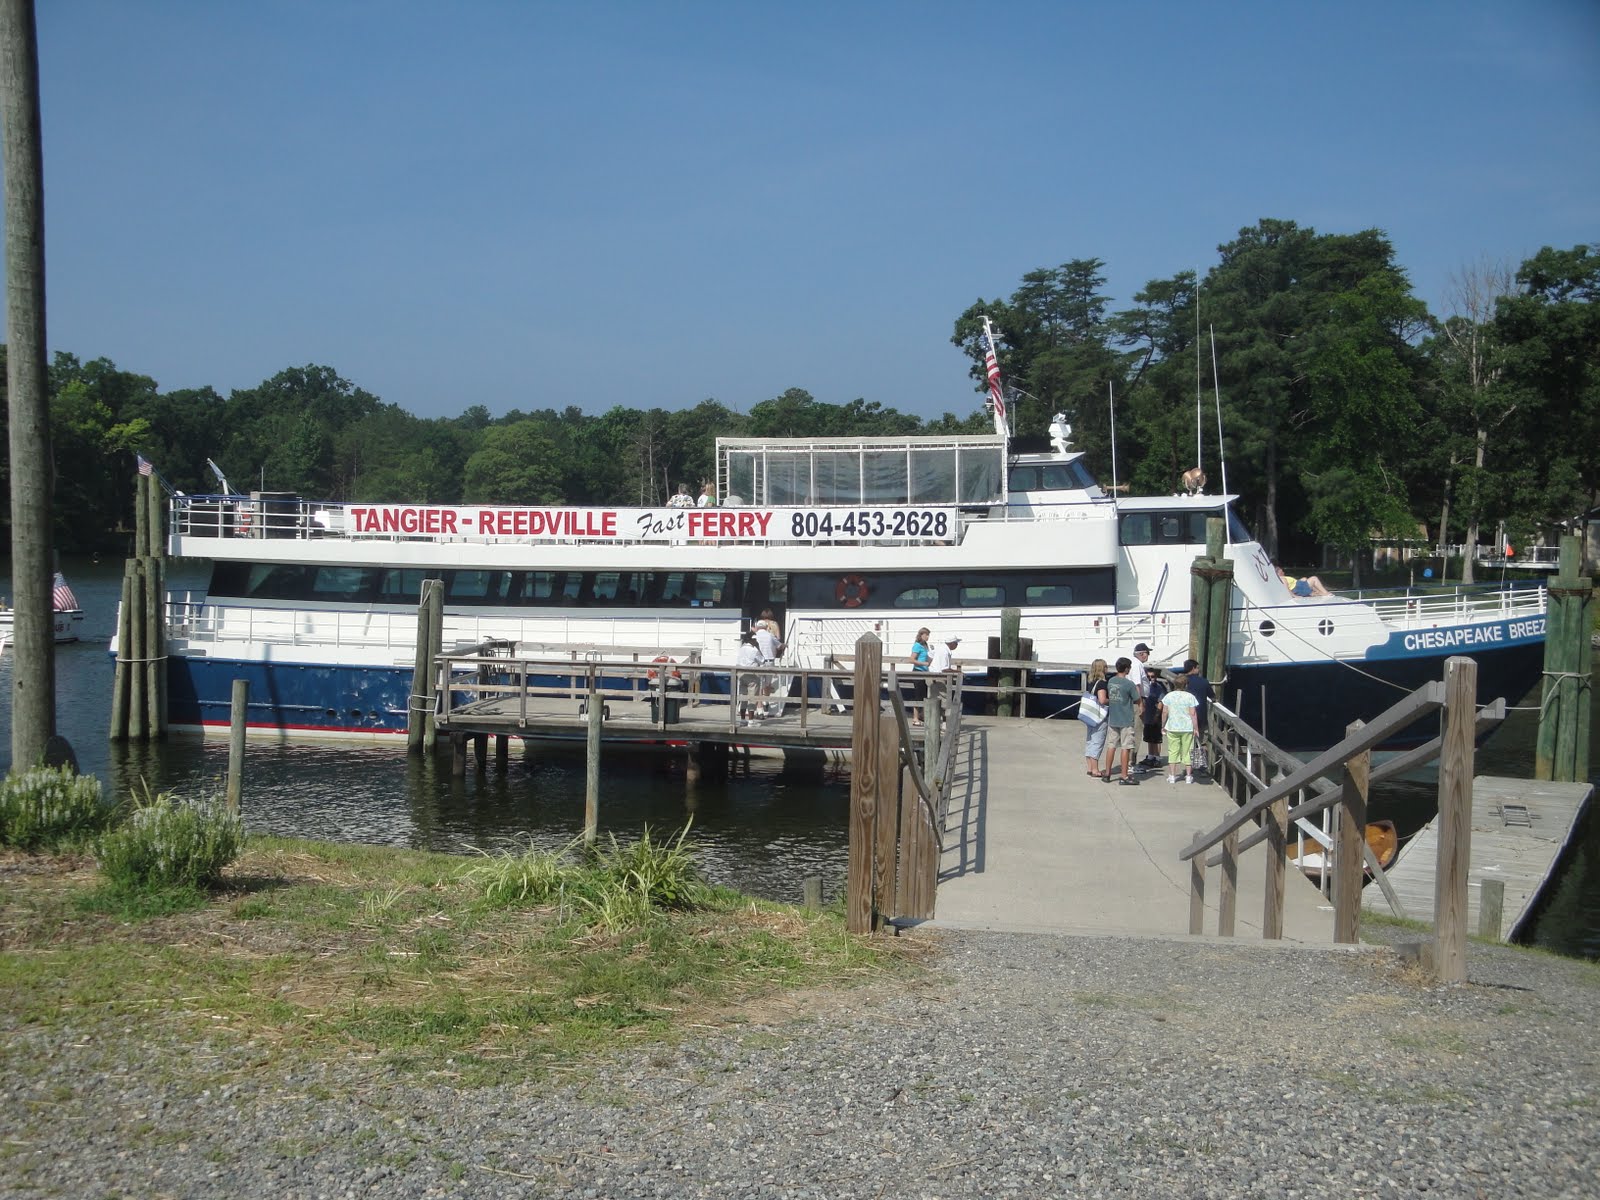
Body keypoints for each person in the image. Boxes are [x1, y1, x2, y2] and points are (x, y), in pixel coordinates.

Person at [1104, 657, 1142, 785]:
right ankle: (1124, 776)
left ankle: (1107, 773)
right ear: (1126, 669)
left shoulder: (1111, 681)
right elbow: (1137, 698)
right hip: (1126, 719)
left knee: (1111, 746)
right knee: (1126, 747)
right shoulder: (1129, 684)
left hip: (1113, 718)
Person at [1160, 675, 1199, 784]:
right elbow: (1193, 713)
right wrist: (1196, 728)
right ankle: (1188, 776)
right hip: (1187, 727)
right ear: (1186, 685)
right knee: (1188, 751)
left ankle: (1172, 775)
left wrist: (1163, 725)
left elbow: (1164, 712)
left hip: (1172, 726)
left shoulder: (1169, 696)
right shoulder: (1190, 696)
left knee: (1173, 750)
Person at [1129, 644, 1162, 769]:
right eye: (1148, 653)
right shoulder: (1137, 665)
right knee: (1136, 732)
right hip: (1138, 700)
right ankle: (1131, 764)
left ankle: (1131, 762)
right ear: (1142, 653)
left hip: (1135, 700)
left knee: (1134, 732)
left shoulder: (1134, 664)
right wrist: (1141, 704)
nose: (1148, 656)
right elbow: (1137, 685)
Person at [1181, 658, 1214, 774]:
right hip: (1200, 717)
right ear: (1193, 668)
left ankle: (1188, 767)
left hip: (1185, 718)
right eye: (1198, 667)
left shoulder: (1182, 682)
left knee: (1187, 743)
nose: (1199, 669)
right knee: (1202, 742)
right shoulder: (1204, 682)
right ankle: (1201, 766)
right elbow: (1213, 697)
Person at [1081, 657, 1110, 778]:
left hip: (1090, 715)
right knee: (1097, 741)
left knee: (1090, 740)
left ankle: (1090, 767)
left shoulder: (1091, 682)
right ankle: (1095, 769)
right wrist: (1113, 700)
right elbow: (1102, 700)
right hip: (1099, 716)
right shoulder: (1102, 683)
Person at [735, 631, 763, 721]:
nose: (757, 642)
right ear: (752, 640)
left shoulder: (741, 648)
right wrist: (758, 648)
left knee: (743, 697)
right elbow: (762, 660)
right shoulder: (754, 650)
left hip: (741, 674)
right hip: (752, 674)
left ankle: (743, 720)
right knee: (752, 698)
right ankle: (750, 721)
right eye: (755, 640)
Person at [908, 627, 932, 726]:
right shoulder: (917, 645)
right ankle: (915, 718)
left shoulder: (925, 645)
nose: (928, 637)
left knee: (924, 695)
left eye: (928, 635)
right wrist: (924, 664)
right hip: (918, 672)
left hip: (924, 673)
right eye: (926, 635)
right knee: (918, 695)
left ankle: (922, 715)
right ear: (921, 635)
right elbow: (912, 660)